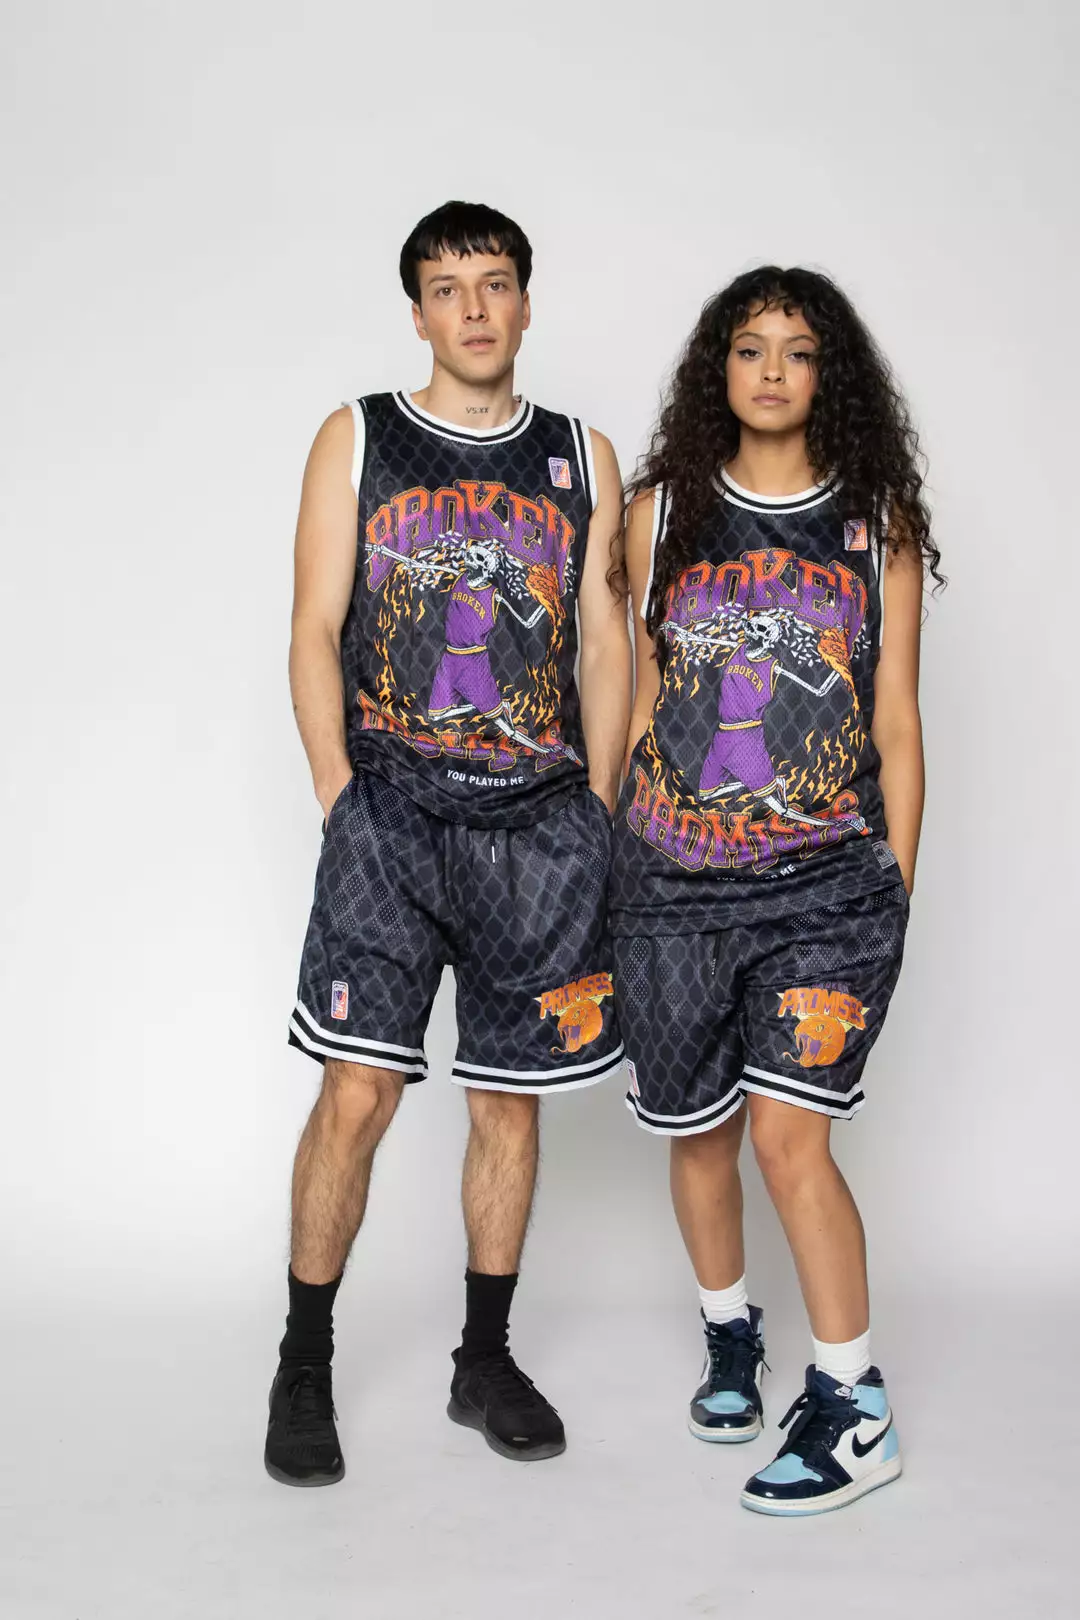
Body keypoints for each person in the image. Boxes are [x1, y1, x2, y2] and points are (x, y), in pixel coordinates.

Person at [267, 201, 630, 1485]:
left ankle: (485, 1360)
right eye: (447, 287)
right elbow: (313, 625)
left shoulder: (582, 456)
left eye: (495, 283)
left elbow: (605, 643)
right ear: (417, 313)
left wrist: (599, 806)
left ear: (527, 301)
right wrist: (340, 795)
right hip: (394, 814)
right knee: (356, 1092)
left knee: (507, 1102)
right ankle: (304, 1361)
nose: (474, 308)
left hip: (536, 822)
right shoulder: (359, 435)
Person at [612, 266, 941, 1515]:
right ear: (720, 368)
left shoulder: (875, 522)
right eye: (748, 348)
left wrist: (894, 887)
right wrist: (615, 860)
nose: (770, 371)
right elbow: (642, 702)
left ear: (827, 376)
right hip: (673, 878)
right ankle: (729, 1334)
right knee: (698, 1133)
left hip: (825, 886)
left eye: (797, 352)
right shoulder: (659, 516)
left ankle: (855, 1407)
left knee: (787, 1135)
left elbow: (896, 720)